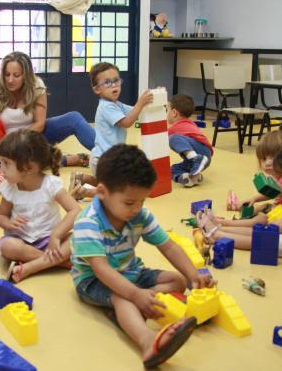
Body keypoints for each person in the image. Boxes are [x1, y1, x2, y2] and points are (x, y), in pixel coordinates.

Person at [65, 144, 215, 368]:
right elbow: (101, 269)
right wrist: (135, 295)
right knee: (122, 298)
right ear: (102, 192)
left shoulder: (139, 215)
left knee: (178, 281)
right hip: (92, 281)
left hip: (131, 271)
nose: (137, 208)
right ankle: (147, 342)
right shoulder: (88, 222)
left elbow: (169, 247)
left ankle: (138, 304)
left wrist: (194, 276)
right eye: (129, 202)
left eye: (142, 201)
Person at [199, 137, 282, 259]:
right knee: (259, 230)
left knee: (260, 239)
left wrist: (281, 228)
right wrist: (280, 189)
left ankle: (216, 236)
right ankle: (220, 228)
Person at [0, 130, 80, 282]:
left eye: (6, 164)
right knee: (7, 246)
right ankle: (57, 262)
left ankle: (32, 267)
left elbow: (76, 211)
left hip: (51, 241)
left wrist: (56, 235)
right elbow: (1, 216)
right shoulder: (9, 187)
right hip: (22, 242)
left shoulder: (50, 185)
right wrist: (8, 223)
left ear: (28, 167)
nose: (1, 170)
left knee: (80, 237)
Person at [0, 51, 94, 166]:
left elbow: (40, 124)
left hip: (32, 136)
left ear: (26, 76)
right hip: (4, 144)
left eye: (16, 75)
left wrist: (18, 139)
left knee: (73, 119)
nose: (10, 80)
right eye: (7, 74)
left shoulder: (36, 85)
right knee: (20, 164)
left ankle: (109, 156)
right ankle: (66, 160)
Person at [69, 62, 153, 200]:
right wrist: (141, 102)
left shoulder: (116, 104)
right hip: (105, 160)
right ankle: (84, 192)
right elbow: (127, 122)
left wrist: (151, 100)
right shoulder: (107, 107)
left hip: (107, 159)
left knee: (110, 183)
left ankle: (81, 178)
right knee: (118, 192)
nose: (114, 85)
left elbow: (134, 112)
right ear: (97, 89)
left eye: (116, 80)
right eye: (107, 83)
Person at [204, 130, 282, 232]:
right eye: (264, 159)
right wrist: (254, 198)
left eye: (273, 158)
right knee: (260, 207)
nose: (268, 163)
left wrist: (280, 190)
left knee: (260, 219)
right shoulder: (278, 176)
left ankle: (226, 223)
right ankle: (240, 207)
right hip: (278, 207)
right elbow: (273, 193)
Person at [166, 94, 212, 187]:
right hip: (205, 157)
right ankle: (189, 177)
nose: (166, 113)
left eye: (167, 110)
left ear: (174, 112)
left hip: (201, 152)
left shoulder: (175, 128)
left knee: (173, 138)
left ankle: (196, 159)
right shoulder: (190, 123)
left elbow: (160, 139)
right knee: (171, 170)